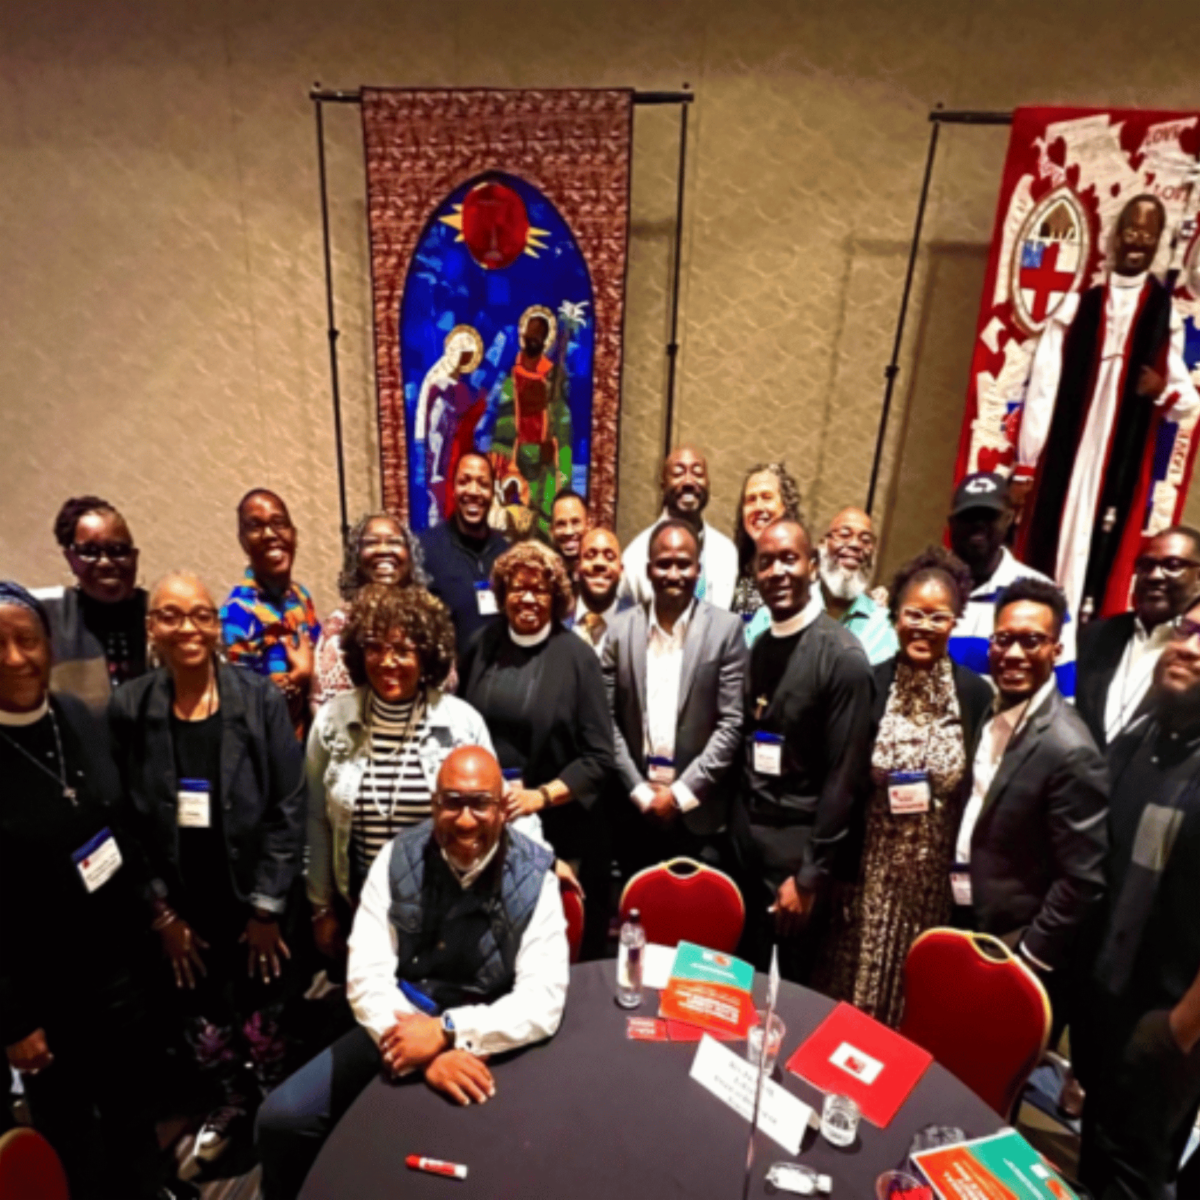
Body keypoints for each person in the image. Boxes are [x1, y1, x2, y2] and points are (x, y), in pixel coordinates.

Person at [255, 746, 569, 1200]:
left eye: (481, 803)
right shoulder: (396, 857)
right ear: (434, 805)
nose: (465, 821)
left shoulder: (537, 876)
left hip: (492, 1036)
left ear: (503, 808)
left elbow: (542, 1001)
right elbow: (366, 976)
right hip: (396, 1023)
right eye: (452, 802)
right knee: (280, 1119)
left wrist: (446, 1032)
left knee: (507, 1160)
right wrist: (425, 1054)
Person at [110, 572, 306, 1169]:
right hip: (180, 908)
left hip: (255, 901)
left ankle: (278, 1109)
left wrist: (267, 908)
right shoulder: (129, 707)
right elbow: (124, 818)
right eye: (171, 615)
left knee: (264, 1017)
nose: (188, 628)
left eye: (201, 614)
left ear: (217, 626)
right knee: (205, 1024)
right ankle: (231, 1102)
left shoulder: (258, 700)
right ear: (152, 627)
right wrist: (161, 913)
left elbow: (289, 804)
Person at [0, 583, 190, 1200]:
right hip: (44, 989)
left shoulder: (76, 717)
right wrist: (13, 1020)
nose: (15, 658)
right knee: (72, 1128)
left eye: (27, 640)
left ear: (49, 647)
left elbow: (119, 822)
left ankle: (151, 1190)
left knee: (135, 1102)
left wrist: (158, 912)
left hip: (118, 963)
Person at [827, 547, 992, 1026]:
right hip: (868, 876)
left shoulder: (975, 694)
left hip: (931, 884)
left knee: (913, 1001)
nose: (924, 626)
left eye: (938, 617)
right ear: (895, 617)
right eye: (914, 614)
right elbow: (844, 778)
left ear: (955, 622)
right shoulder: (871, 683)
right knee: (854, 998)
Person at [1015, 194, 1200, 621]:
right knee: (1053, 536)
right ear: (1116, 237)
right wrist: (1027, 462)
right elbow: (1044, 384)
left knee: (1102, 550)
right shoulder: (1080, 305)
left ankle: (1086, 637)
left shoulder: (1162, 313)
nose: (1137, 241)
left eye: (1148, 234)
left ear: (1158, 243)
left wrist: (1161, 391)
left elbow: (1186, 402)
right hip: (1068, 451)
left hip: (1121, 459)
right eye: (1131, 230)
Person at [1075, 600, 1200, 1199]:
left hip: (1166, 1020)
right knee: (1094, 1156)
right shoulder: (1142, 735)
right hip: (1106, 1000)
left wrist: (1179, 1030)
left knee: (1134, 1176)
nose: (1190, 648)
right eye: (1189, 630)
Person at [307, 583, 501, 952]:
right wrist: (320, 907)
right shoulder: (333, 721)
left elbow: (494, 808)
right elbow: (316, 819)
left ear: (426, 654)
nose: (387, 661)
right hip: (360, 906)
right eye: (375, 648)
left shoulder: (461, 723)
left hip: (444, 905)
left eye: (402, 650)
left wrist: (543, 861)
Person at [953, 577, 1108, 1017]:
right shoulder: (992, 711)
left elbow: (1082, 879)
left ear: (1056, 649)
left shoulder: (1070, 748)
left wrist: (1028, 960)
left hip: (1010, 941)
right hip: (963, 919)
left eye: (1032, 641)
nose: (1014, 654)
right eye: (1004, 639)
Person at [733, 519, 875, 983]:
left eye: (789, 559)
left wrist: (810, 877)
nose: (777, 572)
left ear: (813, 565)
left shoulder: (843, 658)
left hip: (796, 861)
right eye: (766, 562)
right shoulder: (759, 647)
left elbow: (844, 779)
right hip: (748, 849)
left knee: (786, 991)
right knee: (742, 980)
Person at [459, 540, 613, 954]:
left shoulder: (578, 658)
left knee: (548, 947)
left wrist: (538, 798)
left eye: (539, 589)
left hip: (560, 826)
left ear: (556, 596)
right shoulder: (480, 645)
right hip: (488, 825)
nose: (527, 598)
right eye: (517, 588)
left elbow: (599, 758)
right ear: (502, 594)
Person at [603, 520, 746, 877]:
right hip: (635, 812)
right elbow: (606, 721)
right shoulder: (619, 631)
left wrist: (680, 794)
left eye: (684, 564)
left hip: (699, 814)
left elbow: (731, 724)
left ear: (698, 569)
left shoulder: (726, 630)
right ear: (648, 569)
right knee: (634, 906)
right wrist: (640, 791)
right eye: (664, 563)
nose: (673, 574)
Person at [946, 471, 1077, 697]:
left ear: (1009, 518)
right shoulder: (926, 590)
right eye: (969, 516)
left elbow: (1063, 692)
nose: (978, 525)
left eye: (989, 516)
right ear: (951, 523)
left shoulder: (1042, 596)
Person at [1076, 525, 1200, 749]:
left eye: (1172, 565)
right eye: (1146, 565)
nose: (1154, 576)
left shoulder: (1193, 651)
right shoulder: (1095, 635)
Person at [221, 489, 321, 740]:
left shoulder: (300, 596)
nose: (269, 534)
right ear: (243, 541)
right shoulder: (237, 613)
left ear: (293, 534)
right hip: (265, 751)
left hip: (309, 742)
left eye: (279, 523)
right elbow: (242, 706)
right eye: (256, 527)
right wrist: (298, 676)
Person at [36, 494, 148, 714]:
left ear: (134, 556)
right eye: (90, 552)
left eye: (118, 550)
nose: (105, 563)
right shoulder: (47, 620)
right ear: (71, 559)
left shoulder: (160, 616)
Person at [311, 513, 426, 712]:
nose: (383, 550)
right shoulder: (340, 625)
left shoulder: (427, 620)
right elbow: (328, 711)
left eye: (394, 542)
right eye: (371, 543)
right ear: (356, 558)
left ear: (410, 556)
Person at [621, 445, 739, 611]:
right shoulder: (636, 555)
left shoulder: (727, 552)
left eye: (697, 473)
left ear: (708, 483)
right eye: (678, 473)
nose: (689, 481)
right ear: (663, 484)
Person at [418, 451, 510, 650]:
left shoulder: (507, 553)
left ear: (493, 492)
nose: (473, 491)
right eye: (464, 481)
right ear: (453, 489)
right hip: (449, 668)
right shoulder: (425, 550)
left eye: (483, 484)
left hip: (500, 667)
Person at [730, 461, 803, 643]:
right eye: (750, 500)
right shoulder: (732, 564)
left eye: (767, 497)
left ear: (785, 506)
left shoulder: (801, 568)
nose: (758, 507)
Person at [816, 506, 899, 666]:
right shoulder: (791, 605)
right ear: (822, 544)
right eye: (844, 535)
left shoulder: (882, 626)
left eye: (866, 540)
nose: (855, 545)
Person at [569, 526, 631, 654]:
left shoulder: (637, 625)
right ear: (577, 568)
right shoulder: (556, 620)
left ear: (621, 571)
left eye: (609, 557)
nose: (600, 563)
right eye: (590, 555)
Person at [549, 489, 588, 582]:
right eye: (561, 524)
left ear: (588, 525)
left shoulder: (600, 578)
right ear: (551, 531)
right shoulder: (544, 579)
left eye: (575, 522)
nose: (569, 532)